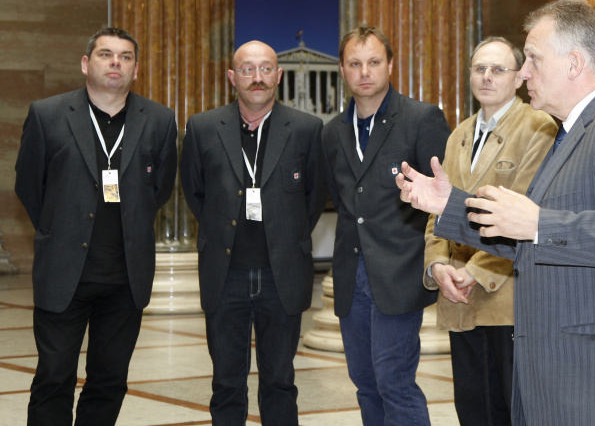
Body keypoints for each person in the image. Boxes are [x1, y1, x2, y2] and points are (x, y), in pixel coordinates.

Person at [396, 0, 595, 426]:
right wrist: (450, 205)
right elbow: (527, 238)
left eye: (533, 58)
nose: (523, 73)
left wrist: (538, 223)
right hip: (567, 370)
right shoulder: (570, 131)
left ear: (574, 63)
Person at [14, 27, 178, 426]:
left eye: (125, 57)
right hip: (63, 272)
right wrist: (58, 229)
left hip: (125, 277)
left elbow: (160, 190)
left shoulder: (159, 120)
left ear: (136, 69)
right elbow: (29, 186)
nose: (115, 62)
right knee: (54, 377)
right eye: (106, 54)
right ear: (86, 64)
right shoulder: (48, 114)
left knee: (109, 380)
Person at [180, 40, 327, 425]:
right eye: (247, 69)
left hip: (282, 275)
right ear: (232, 77)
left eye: (265, 68)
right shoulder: (203, 127)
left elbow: (314, 198)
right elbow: (195, 192)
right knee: (226, 383)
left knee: (280, 382)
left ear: (279, 75)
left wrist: (286, 236)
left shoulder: (307, 129)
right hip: (224, 274)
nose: (257, 77)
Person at [423, 36, 556, 425]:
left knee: (513, 413)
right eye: (479, 68)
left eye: (498, 69)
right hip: (458, 300)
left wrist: (473, 271)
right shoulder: (459, 134)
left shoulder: (539, 128)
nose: (487, 77)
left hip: (508, 300)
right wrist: (437, 265)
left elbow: (525, 213)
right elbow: (438, 209)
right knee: (473, 412)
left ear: (518, 77)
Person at [321, 25, 450, 425]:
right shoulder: (332, 132)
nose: (365, 72)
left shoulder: (421, 119)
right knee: (365, 382)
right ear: (342, 69)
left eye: (374, 62)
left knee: (395, 382)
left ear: (390, 65)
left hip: (399, 273)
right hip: (351, 275)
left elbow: (444, 198)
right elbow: (341, 199)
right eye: (355, 63)